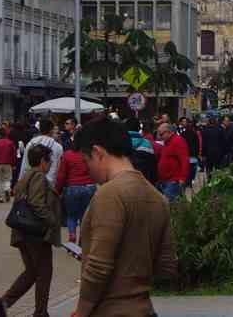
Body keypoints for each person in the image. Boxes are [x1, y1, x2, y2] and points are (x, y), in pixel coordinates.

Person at [71, 118, 177, 317]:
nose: (87, 170)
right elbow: (167, 266)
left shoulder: (109, 194)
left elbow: (98, 267)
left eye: (86, 161)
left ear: (97, 153)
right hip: (144, 309)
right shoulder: (157, 198)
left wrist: (82, 311)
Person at [0, 144, 61, 317]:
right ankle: (40, 312)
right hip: (36, 233)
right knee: (44, 273)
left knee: (31, 272)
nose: (51, 163)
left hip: (23, 232)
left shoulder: (25, 176)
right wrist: (52, 221)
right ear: (43, 161)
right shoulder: (38, 176)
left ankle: (4, 302)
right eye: (49, 160)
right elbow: (37, 203)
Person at [56, 138, 96, 243]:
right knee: (85, 217)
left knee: (71, 216)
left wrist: (58, 189)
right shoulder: (90, 155)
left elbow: (61, 175)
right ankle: (83, 238)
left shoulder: (67, 155)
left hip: (72, 188)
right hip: (89, 187)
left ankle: (72, 234)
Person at [19, 119, 63, 184]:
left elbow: (25, 164)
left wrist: (21, 180)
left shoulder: (31, 144)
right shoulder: (58, 147)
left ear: (39, 129)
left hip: (31, 182)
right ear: (51, 130)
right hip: (50, 183)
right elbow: (59, 167)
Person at [156, 123, 190, 202]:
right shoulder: (167, 142)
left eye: (161, 134)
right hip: (165, 180)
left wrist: (182, 178)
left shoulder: (178, 141)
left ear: (169, 132)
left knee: (167, 203)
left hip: (174, 180)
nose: (160, 137)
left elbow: (184, 160)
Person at [0, 128, 17, 203]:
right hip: (8, 164)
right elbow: (14, 154)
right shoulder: (10, 143)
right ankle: (7, 189)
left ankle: (0, 197)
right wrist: (14, 164)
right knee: (7, 179)